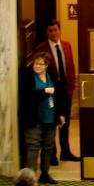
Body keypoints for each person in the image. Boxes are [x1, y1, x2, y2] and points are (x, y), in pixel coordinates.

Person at [33, 20, 78, 163]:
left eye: (55, 30)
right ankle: (51, 155)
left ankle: (66, 152)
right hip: (50, 92)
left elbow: (70, 66)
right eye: (50, 30)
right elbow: (39, 71)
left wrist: (72, 84)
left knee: (65, 123)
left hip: (66, 91)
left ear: (60, 30)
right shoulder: (41, 48)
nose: (53, 33)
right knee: (50, 123)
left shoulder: (66, 45)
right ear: (47, 32)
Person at [19, 53, 59, 184]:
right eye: (35, 63)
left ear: (47, 65)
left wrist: (61, 114)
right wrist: (45, 92)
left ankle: (45, 174)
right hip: (32, 118)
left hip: (50, 117)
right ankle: (31, 178)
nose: (37, 66)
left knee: (48, 147)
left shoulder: (51, 75)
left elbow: (60, 94)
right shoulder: (27, 76)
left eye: (41, 64)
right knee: (33, 147)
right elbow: (28, 98)